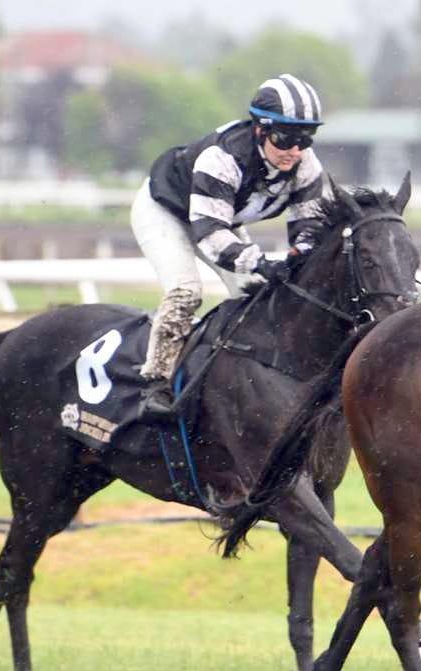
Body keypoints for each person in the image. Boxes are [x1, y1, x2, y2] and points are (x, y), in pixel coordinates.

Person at [130, 73, 330, 420]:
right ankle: (154, 384)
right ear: (261, 129)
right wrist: (262, 262)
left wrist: (299, 255)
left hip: (221, 219)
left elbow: (310, 226)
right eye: (285, 138)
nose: (295, 150)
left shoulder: (305, 165)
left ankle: (238, 379)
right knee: (186, 291)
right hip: (166, 211)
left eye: (305, 138)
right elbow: (210, 235)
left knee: (254, 296)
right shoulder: (222, 159)